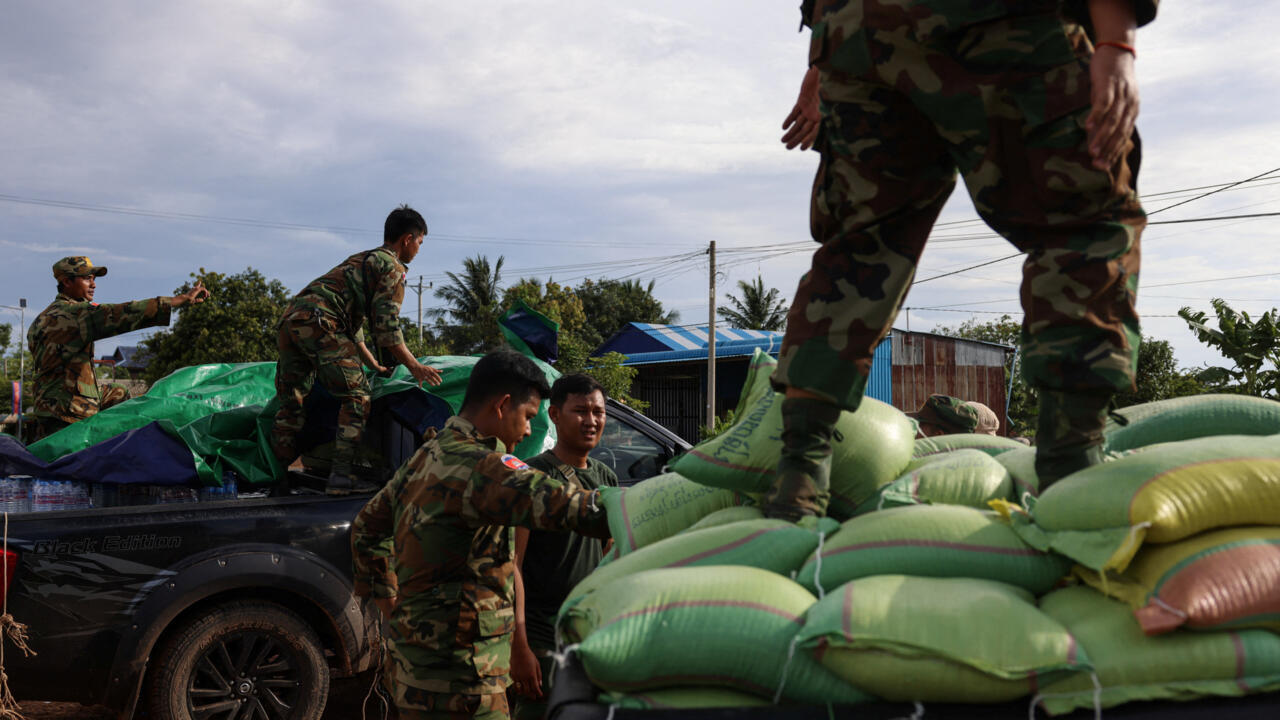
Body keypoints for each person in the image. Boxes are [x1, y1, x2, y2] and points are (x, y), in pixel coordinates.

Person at [768, 0, 1157, 518]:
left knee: (858, 254)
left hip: (859, 33)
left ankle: (798, 483)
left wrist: (824, 56)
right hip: (1000, 21)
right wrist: (1117, 41)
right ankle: (1071, 472)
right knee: (1083, 225)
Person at [350, 350, 610, 720]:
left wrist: (392, 607)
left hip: (413, 670)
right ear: (502, 405)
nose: (527, 431)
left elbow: (366, 528)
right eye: (528, 417)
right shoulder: (484, 466)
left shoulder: (428, 454)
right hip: (465, 684)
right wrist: (656, 504)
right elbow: (572, 507)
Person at [269, 204, 443, 494]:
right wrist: (415, 366)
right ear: (407, 239)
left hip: (292, 321)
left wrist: (373, 364)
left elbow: (355, 327)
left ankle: (278, 481)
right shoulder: (392, 268)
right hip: (321, 323)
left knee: (291, 404)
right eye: (420, 243)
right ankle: (340, 475)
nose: (418, 250)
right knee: (358, 396)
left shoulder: (362, 260)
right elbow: (387, 329)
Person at [508, 374, 618, 719]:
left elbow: (609, 556)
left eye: (598, 412)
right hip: (542, 636)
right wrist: (519, 644)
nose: (591, 421)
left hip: (588, 634)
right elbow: (512, 564)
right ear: (554, 414)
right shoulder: (531, 476)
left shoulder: (606, 478)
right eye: (580, 411)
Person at [26, 256, 210, 441]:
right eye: (87, 278)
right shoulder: (75, 314)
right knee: (72, 458)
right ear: (67, 282)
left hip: (48, 405)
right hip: (68, 412)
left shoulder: (40, 319)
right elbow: (123, 313)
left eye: (94, 279)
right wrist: (178, 300)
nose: (93, 284)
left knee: (118, 392)